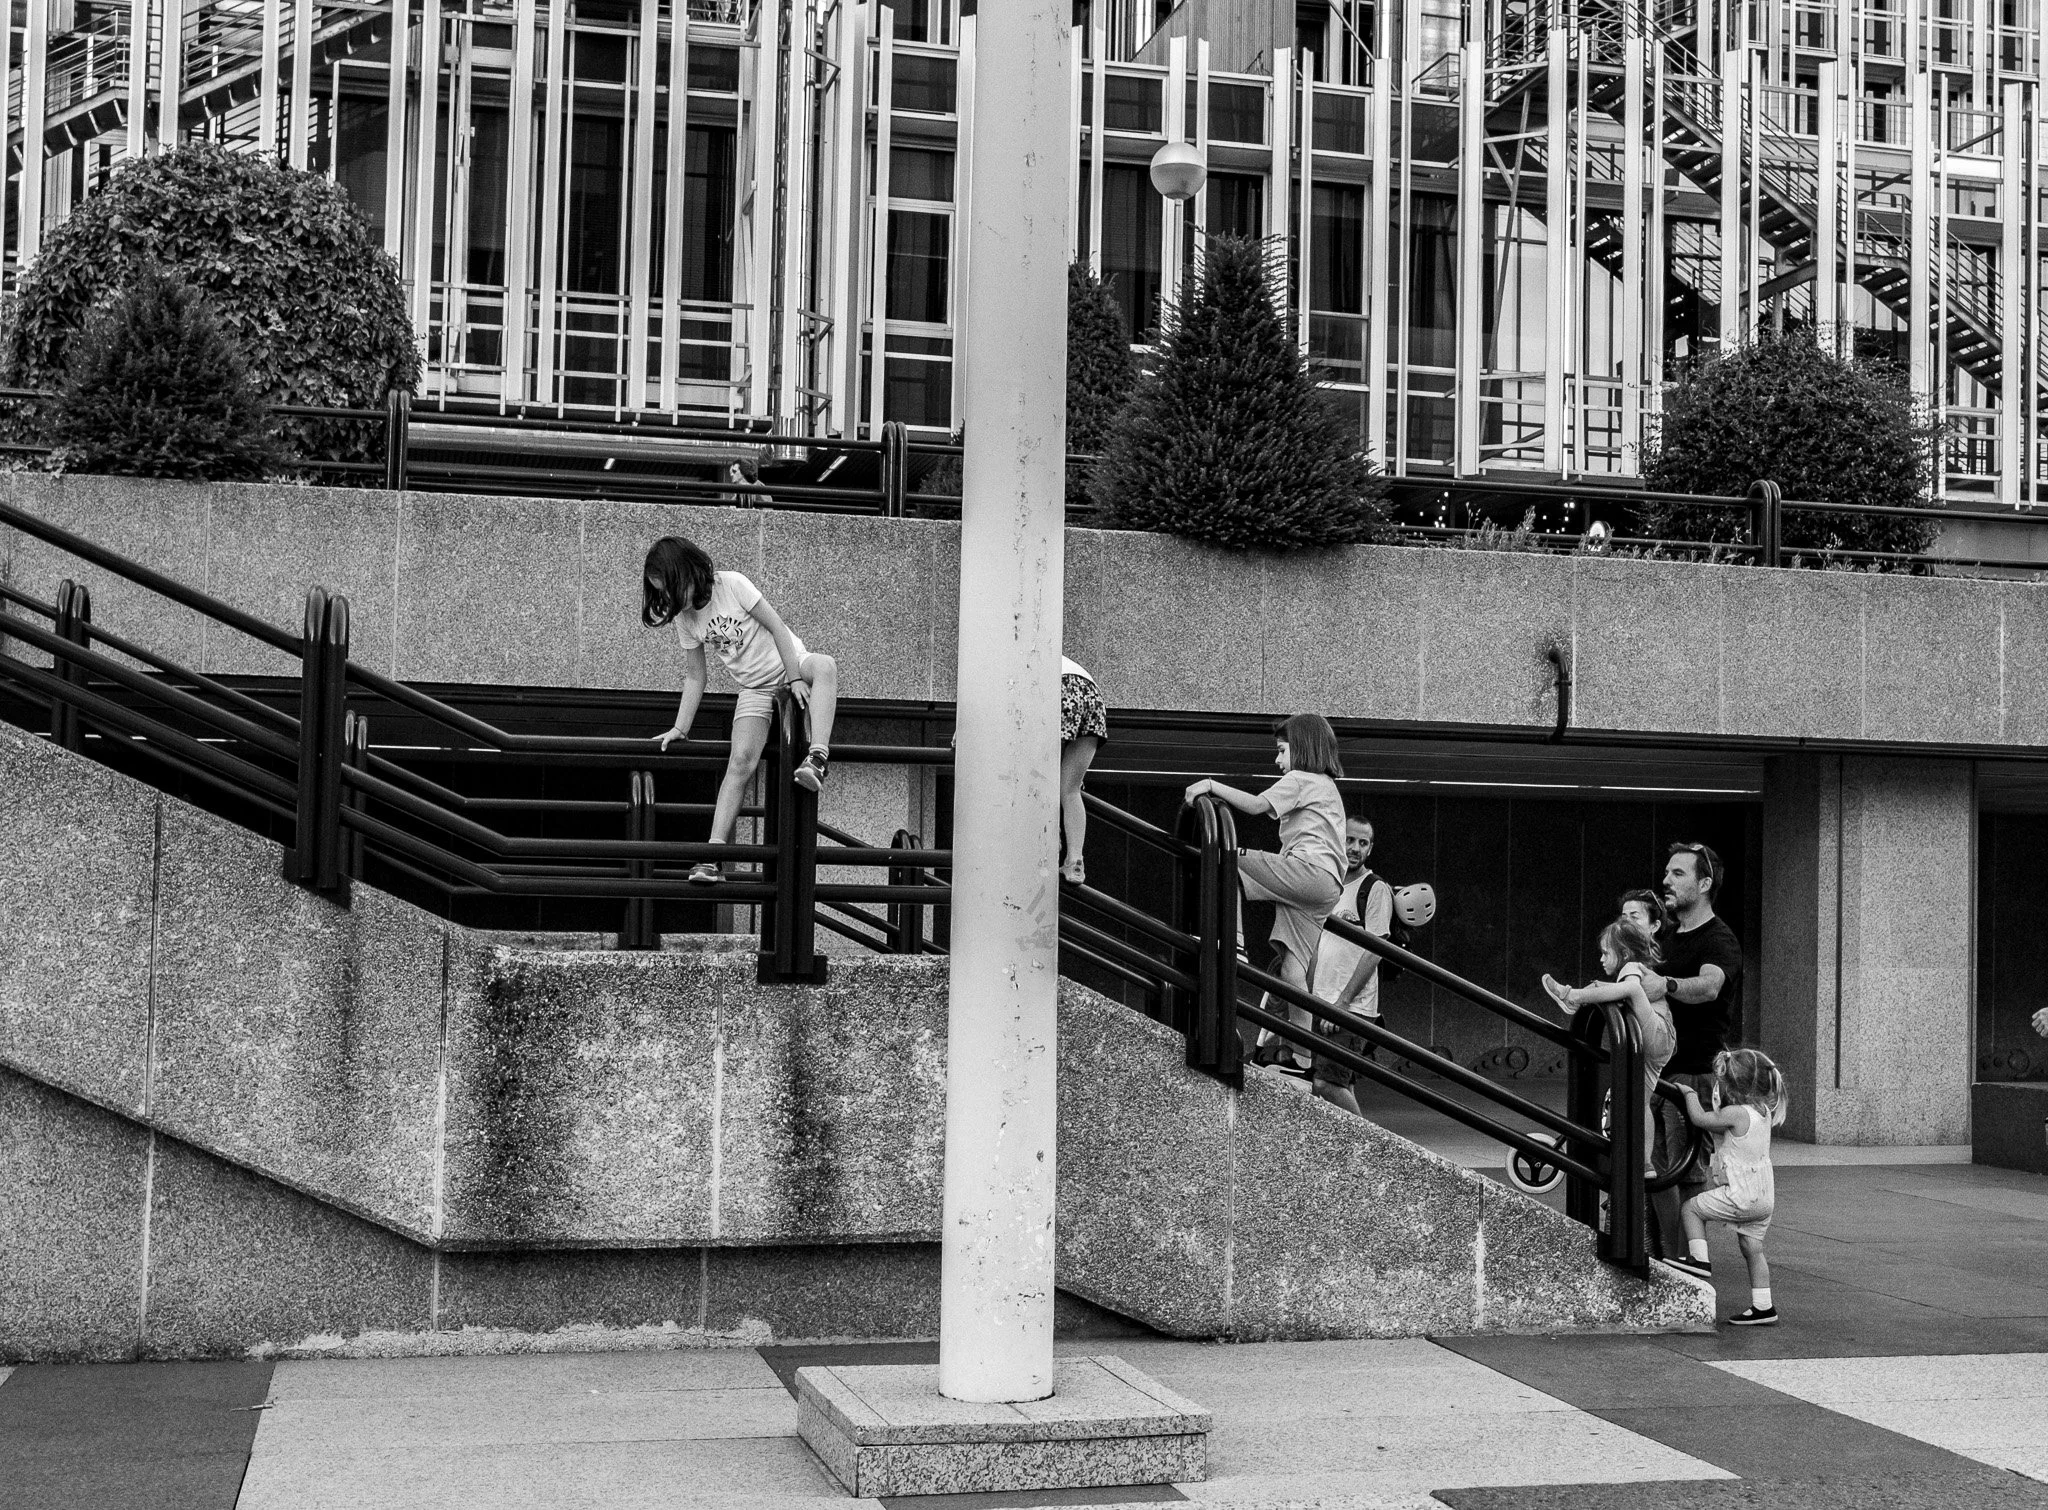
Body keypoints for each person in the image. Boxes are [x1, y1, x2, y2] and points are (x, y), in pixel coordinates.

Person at [642, 536, 839, 883]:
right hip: (754, 686)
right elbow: (695, 675)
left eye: (671, 588)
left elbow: (777, 627)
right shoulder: (686, 620)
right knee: (739, 762)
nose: (670, 598)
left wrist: (795, 678)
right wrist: (680, 727)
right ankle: (712, 859)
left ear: (687, 572)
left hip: (790, 663)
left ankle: (817, 758)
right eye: (663, 593)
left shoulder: (731, 585)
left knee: (825, 666)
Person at [1184, 714, 1347, 1078]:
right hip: (1326, 887)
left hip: (1309, 872)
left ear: (1301, 749)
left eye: (1282, 750)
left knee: (1228, 860)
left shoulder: (1301, 779)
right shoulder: (1328, 786)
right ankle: (1302, 1062)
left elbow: (1257, 806)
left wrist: (1211, 784)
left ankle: (1236, 944)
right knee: (1293, 970)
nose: (1277, 760)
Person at [1643, 841, 1745, 1258]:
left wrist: (1665, 984)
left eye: (1678, 873)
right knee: (1655, 1172)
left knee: (1686, 1173)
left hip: (1692, 1074)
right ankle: (1669, 1259)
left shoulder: (1719, 939)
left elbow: (1709, 986)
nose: (1665, 880)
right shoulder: (1667, 936)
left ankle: (1689, 1264)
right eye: (1667, 872)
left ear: (1704, 884)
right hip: (1658, 1071)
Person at [1542, 917, 1675, 1177]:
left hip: (1657, 1033)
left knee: (1628, 990)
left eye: (1606, 953)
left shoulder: (1632, 968)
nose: (1602, 959)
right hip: (1659, 1043)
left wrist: (1584, 993)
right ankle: (1645, 1164)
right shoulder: (1635, 971)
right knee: (1641, 1102)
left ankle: (1572, 996)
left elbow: (1632, 989)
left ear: (1623, 953)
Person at [1667, 1047, 1786, 1327]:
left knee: (1691, 1209)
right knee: (1752, 1247)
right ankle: (1763, 1305)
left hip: (1741, 1196)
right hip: (1763, 1198)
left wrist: (1689, 1094)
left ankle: (1699, 1259)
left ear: (1731, 1086)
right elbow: (1726, 1129)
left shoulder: (1735, 1113)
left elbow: (1700, 1119)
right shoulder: (1763, 1113)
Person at [1308, 817, 1394, 1114]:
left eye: (1363, 842)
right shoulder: (1328, 884)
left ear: (1370, 848)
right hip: (1322, 1001)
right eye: (1350, 840)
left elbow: (1375, 951)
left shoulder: (1375, 888)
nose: (1355, 848)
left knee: (1326, 1084)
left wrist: (1342, 1004)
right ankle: (1354, 1142)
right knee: (1338, 1086)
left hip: (1350, 1008)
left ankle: (1370, 1144)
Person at [1059, 656, 1107, 885]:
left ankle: (1048, 838)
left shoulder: (999, 651)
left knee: (1038, 776)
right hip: (1092, 694)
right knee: (1070, 789)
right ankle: (1075, 860)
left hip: (1059, 687)